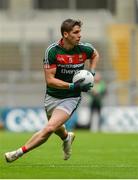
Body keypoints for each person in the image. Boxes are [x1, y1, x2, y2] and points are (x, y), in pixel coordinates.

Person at [4, 18, 99, 162]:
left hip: (71, 98)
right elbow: (50, 81)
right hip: (52, 96)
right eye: (76, 32)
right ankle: (67, 137)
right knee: (56, 126)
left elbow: (95, 54)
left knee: (49, 128)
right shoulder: (53, 51)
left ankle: (17, 153)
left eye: (80, 32)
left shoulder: (84, 48)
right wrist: (73, 85)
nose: (80, 35)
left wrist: (91, 72)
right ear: (65, 34)